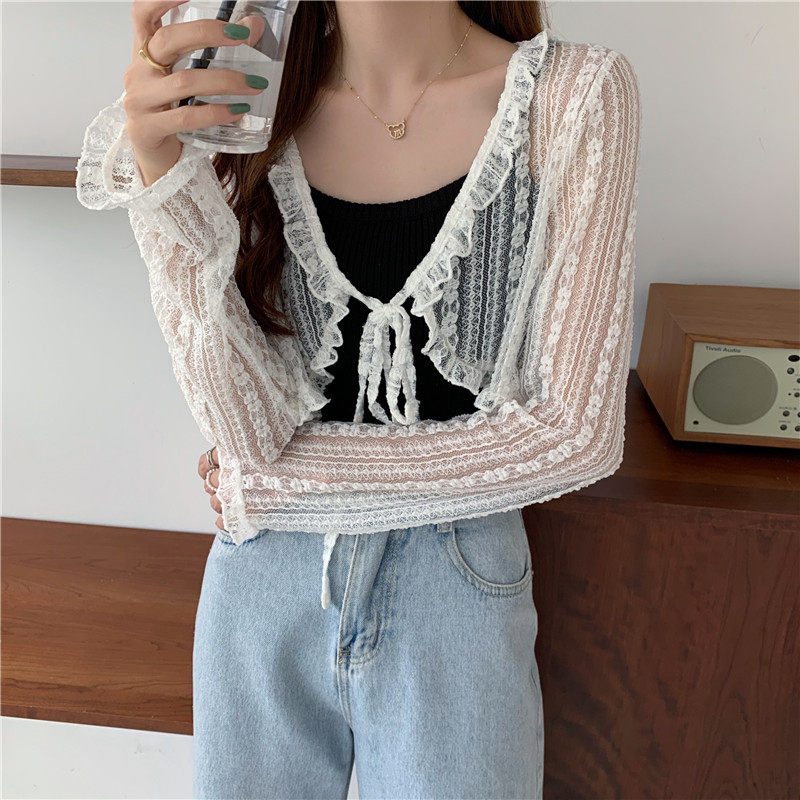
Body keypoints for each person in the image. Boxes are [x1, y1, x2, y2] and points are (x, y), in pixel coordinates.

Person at [76, 1, 641, 797]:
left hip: (456, 581)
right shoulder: (245, 98)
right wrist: (164, 175)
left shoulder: (574, 95)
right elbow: (244, 429)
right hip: (261, 581)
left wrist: (278, 485)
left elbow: (574, 435)